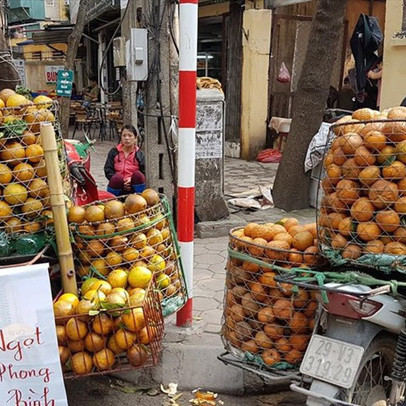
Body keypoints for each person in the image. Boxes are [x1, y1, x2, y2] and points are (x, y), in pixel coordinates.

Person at [104, 125, 146, 196]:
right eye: (124, 136)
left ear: (135, 138)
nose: (127, 138)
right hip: (118, 186)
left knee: (138, 175)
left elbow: (144, 171)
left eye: (130, 135)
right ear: (121, 138)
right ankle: (111, 200)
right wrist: (122, 181)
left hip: (133, 186)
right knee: (116, 178)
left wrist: (130, 180)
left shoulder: (139, 154)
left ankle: (140, 198)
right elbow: (108, 170)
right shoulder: (114, 152)